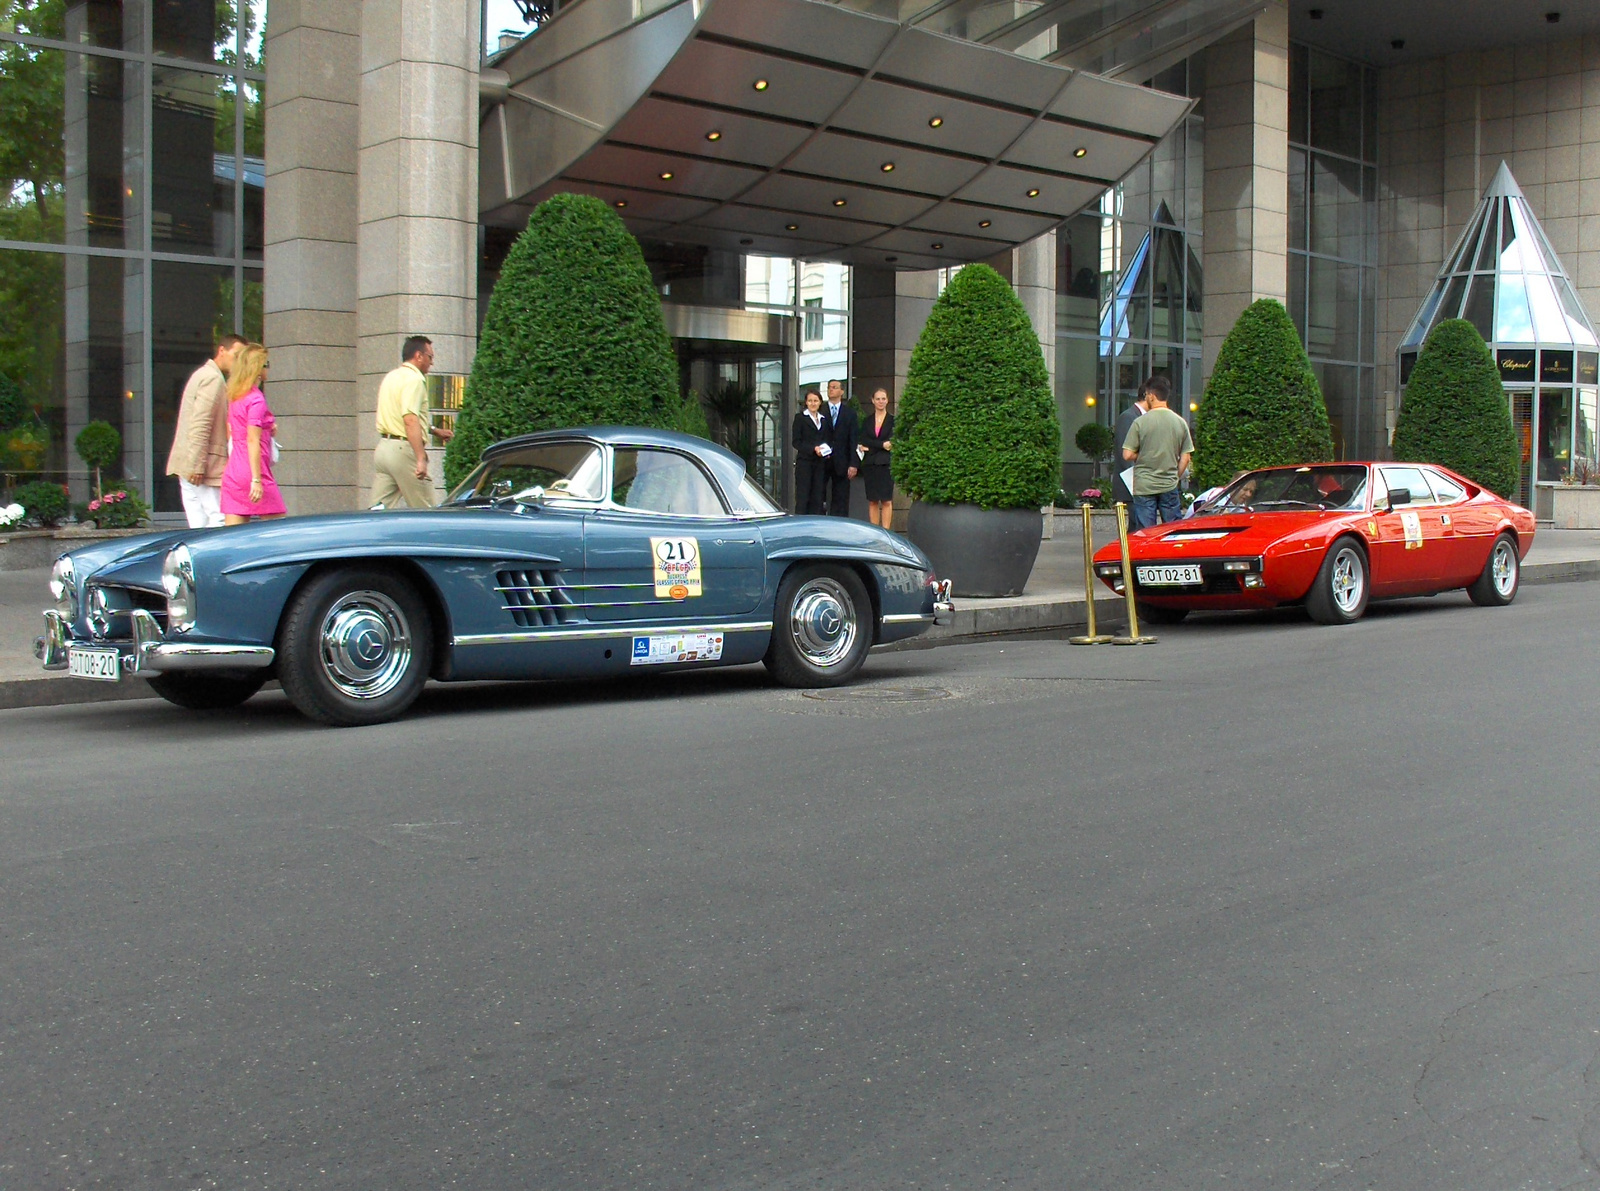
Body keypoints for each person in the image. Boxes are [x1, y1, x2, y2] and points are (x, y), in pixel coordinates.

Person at [165, 333, 244, 528]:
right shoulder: (212, 379)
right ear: (222, 350)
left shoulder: (203, 375)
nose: (238, 362)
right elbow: (201, 423)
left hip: (191, 463)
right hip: (204, 465)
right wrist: (198, 465)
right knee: (216, 518)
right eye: (237, 355)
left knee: (198, 523)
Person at [371, 335, 454, 509]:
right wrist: (420, 457)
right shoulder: (414, 380)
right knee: (427, 510)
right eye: (430, 357)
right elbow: (409, 419)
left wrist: (433, 429)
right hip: (404, 451)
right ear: (418, 356)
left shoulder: (391, 377)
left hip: (384, 450)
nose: (431, 363)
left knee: (377, 511)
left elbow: (400, 416)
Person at [219, 343, 287, 525]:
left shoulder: (236, 396)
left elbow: (233, 430)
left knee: (232, 537)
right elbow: (252, 439)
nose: (268, 369)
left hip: (234, 470)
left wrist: (268, 427)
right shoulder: (256, 399)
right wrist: (256, 479)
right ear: (258, 368)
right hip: (254, 469)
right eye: (267, 364)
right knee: (277, 531)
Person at [1121, 374, 1193, 531]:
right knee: (1172, 530)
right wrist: (1175, 476)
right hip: (1169, 484)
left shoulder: (1140, 422)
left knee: (1146, 533)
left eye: (1146, 395)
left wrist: (1144, 455)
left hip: (1144, 486)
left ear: (1151, 396)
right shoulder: (1180, 422)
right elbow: (1186, 457)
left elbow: (1127, 454)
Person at [1109, 384, 1151, 509]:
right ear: (1148, 396)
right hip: (1131, 487)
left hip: (1142, 487)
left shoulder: (1145, 417)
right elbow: (1125, 455)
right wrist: (1137, 485)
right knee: (1137, 526)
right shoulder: (1128, 417)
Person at [858, 387, 895, 528]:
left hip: (886, 464)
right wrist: (881, 445)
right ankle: (875, 531)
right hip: (871, 464)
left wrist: (873, 446)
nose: (881, 401)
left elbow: (892, 443)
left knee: (886, 500)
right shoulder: (867, 421)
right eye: (878, 399)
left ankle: (886, 532)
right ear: (872, 401)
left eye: (883, 399)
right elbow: (864, 440)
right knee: (872, 500)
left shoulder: (893, 421)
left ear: (887, 400)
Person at [822, 377, 857, 518]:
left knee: (841, 498)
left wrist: (853, 464)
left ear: (842, 391)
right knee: (820, 495)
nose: (831, 389)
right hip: (822, 461)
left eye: (835, 387)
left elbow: (853, 439)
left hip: (842, 461)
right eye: (829, 387)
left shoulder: (850, 414)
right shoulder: (820, 410)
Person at [792, 389, 829, 515]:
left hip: (819, 464)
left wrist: (826, 450)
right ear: (806, 403)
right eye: (810, 401)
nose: (813, 403)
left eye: (815, 401)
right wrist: (813, 449)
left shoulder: (824, 420)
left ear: (820, 403)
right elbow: (796, 442)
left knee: (817, 498)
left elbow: (827, 439)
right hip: (805, 463)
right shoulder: (800, 418)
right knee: (803, 497)